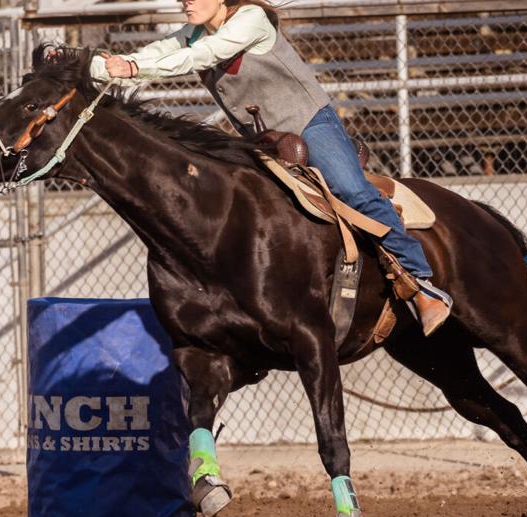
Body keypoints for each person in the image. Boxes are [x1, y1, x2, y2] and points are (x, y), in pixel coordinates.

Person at [88, 0, 453, 335]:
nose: (184, 0)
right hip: (263, 141)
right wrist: (96, 65)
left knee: (353, 190)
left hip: (309, 124)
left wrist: (134, 66)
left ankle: (422, 283)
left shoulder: (251, 19)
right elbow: (156, 53)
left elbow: (204, 54)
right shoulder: (193, 33)